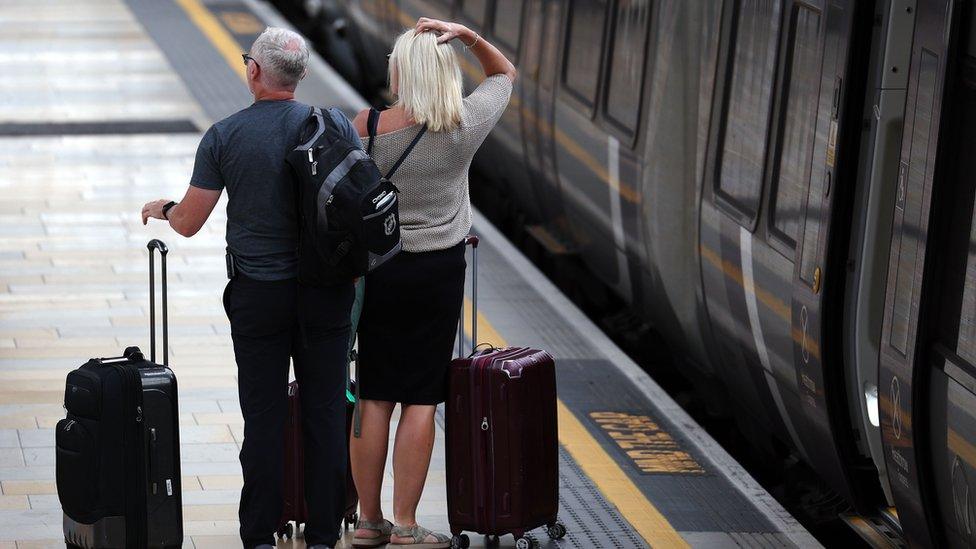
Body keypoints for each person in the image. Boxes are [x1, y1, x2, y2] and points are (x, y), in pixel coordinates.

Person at [140, 26, 360, 549]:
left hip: (259, 296)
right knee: (326, 415)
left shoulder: (226, 134)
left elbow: (190, 221)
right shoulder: (334, 127)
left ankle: (260, 535)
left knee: (262, 419)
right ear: (301, 75)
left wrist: (164, 209)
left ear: (255, 71)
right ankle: (326, 535)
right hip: (325, 295)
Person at [348, 17, 517, 549]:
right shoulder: (464, 124)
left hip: (380, 270)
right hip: (438, 272)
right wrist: (468, 37)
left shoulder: (367, 127)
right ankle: (405, 524)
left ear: (401, 71)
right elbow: (505, 74)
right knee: (421, 398)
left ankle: (367, 522)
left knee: (373, 393)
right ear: (443, 72)